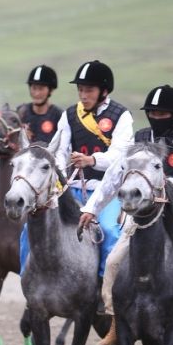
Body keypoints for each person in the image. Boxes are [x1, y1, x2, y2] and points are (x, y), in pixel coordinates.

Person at [80, 85, 173, 345]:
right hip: (143, 218)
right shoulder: (140, 139)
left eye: (161, 112)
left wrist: (151, 185)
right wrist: (91, 209)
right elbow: (114, 177)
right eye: (151, 112)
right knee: (114, 262)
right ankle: (115, 321)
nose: (155, 116)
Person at [24, 60, 133, 285]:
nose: (83, 95)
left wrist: (92, 160)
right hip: (71, 190)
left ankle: (105, 285)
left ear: (104, 91)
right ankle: (29, 278)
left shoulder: (121, 116)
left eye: (89, 90)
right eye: (80, 90)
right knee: (30, 227)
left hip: (106, 193)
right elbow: (60, 152)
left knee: (110, 231)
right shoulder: (70, 114)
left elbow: (119, 157)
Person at [17, 65, 63, 144]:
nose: (37, 93)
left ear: (51, 90)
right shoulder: (20, 113)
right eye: (34, 88)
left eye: (41, 88)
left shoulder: (59, 116)